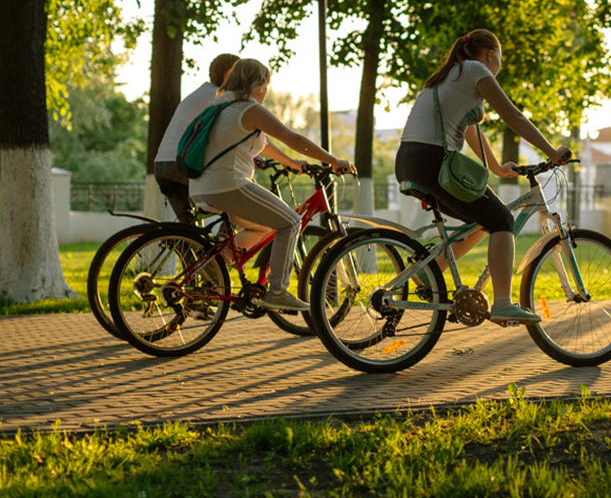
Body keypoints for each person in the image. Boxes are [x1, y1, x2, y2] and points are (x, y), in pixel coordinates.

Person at [395, 29, 570, 323]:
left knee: (484, 218)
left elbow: (470, 133)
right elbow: (513, 116)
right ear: (491, 55)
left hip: (409, 161)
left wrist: (498, 168)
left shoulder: (449, 75)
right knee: (502, 220)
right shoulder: (476, 69)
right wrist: (552, 152)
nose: (498, 65)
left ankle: (430, 272)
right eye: (500, 58)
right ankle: (502, 304)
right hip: (433, 161)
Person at [189, 58, 354, 311]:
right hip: (229, 185)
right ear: (258, 85)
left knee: (266, 228)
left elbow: (264, 145)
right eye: (266, 85)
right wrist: (333, 161)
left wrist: (293, 163)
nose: (266, 90)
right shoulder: (249, 109)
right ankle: (277, 291)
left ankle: (218, 261)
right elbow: (293, 138)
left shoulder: (222, 107)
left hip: (202, 187)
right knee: (291, 221)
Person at [153, 53, 241, 225]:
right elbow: (236, 129)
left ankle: (191, 240)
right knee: (237, 194)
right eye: (239, 73)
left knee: (190, 232)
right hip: (180, 166)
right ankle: (225, 240)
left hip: (163, 166)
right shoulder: (219, 96)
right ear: (228, 74)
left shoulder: (200, 93)